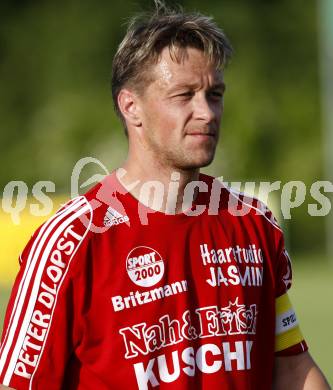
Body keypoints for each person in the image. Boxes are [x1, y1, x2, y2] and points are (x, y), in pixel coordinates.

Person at [0, 2, 330, 389]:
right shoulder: (69, 243)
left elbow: (291, 368)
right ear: (131, 107)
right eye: (183, 95)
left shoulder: (253, 223)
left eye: (215, 94)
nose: (207, 112)